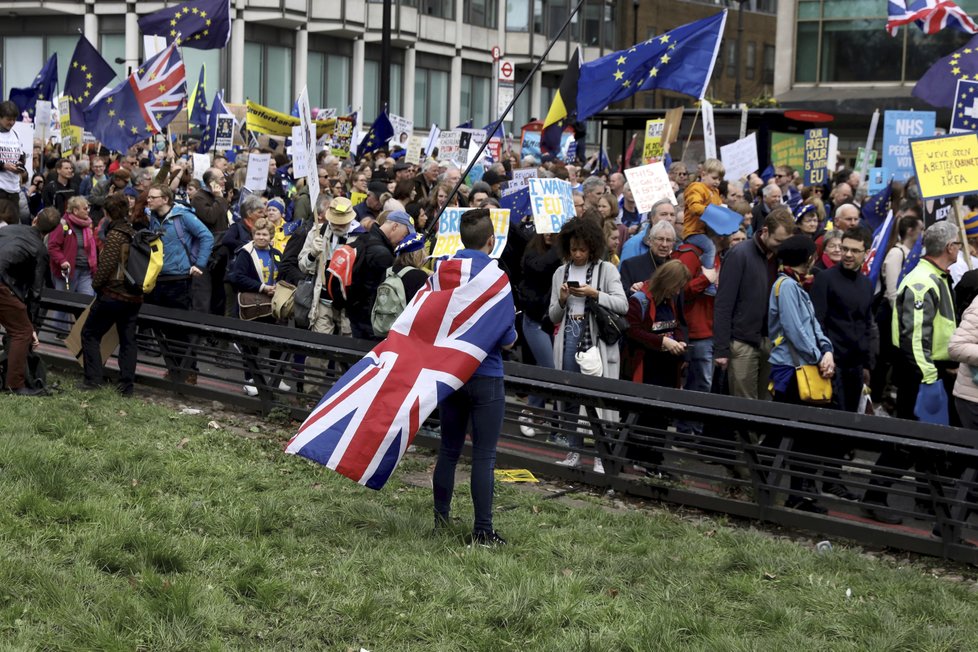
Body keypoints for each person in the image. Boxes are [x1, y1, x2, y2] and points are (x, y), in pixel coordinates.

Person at [863, 221, 961, 524]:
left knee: (931, 441)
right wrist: (930, 378)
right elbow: (914, 338)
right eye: (958, 242)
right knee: (907, 440)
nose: (960, 247)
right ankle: (874, 496)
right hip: (921, 375)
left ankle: (932, 502)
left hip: (932, 371)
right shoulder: (922, 282)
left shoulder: (937, 277)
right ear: (949, 248)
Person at [432, 208, 517, 547]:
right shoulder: (496, 278)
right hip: (486, 373)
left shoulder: (443, 272)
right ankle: (482, 530)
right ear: (491, 240)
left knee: (448, 450)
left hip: (451, 373)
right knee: (484, 455)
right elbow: (508, 338)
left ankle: (441, 519)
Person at [549, 217, 628, 472]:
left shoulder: (607, 270)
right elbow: (552, 316)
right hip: (570, 334)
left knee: (597, 398)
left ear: (593, 247)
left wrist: (595, 294)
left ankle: (599, 455)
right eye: (573, 249)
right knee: (571, 396)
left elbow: (622, 304)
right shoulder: (561, 272)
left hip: (596, 340)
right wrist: (562, 300)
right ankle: (573, 451)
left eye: (583, 249)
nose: (578, 254)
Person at [767, 235, 835, 514]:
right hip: (792, 370)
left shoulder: (796, 286)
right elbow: (795, 331)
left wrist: (827, 349)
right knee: (796, 436)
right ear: (808, 258)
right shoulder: (786, 287)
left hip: (806, 365)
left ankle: (801, 491)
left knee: (804, 436)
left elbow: (813, 326)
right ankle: (795, 493)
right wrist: (819, 357)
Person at [713, 207, 795, 400]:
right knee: (744, 404)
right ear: (765, 231)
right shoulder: (740, 254)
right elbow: (724, 304)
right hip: (743, 341)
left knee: (766, 401)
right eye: (778, 241)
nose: (781, 247)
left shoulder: (781, 257)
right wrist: (721, 349)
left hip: (772, 341)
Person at [145, 183, 214, 384]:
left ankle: (189, 371)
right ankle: (173, 368)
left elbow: (206, 237)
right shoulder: (153, 218)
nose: (148, 200)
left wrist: (199, 264)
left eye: (152, 197)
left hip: (179, 280)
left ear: (165, 199)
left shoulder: (183, 216)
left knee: (180, 329)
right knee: (162, 328)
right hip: (158, 278)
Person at [79, 194, 143, 395]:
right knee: (128, 340)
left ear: (107, 214)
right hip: (134, 296)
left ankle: (93, 380)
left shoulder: (116, 235)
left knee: (89, 334)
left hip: (113, 294)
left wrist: (97, 287)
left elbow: (105, 267)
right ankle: (126, 387)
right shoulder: (134, 232)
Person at [811, 227, 875, 413]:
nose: (847, 254)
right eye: (844, 248)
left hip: (856, 366)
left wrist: (866, 364)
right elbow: (817, 321)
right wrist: (825, 354)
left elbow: (866, 325)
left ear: (866, 253)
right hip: (832, 364)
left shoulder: (866, 284)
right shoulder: (825, 279)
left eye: (854, 251)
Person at [0, 207, 60, 395]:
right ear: (52, 231)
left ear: (34, 220)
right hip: (1, 283)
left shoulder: (8, 229)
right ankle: (15, 384)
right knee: (22, 331)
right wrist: (32, 325)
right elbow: (35, 291)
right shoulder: (40, 250)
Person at [227, 217, 288, 396]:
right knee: (250, 344)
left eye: (265, 234)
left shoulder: (276, 253)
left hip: (272, 305)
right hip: (252, 305)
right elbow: (237, 277)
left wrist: (279, 285)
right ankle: (250, 379)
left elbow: (282, 273)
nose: (261, 237)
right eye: (258, 234)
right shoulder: (245, 253)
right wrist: (261, 287)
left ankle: (275, 378)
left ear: (271, 236)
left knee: (276, 342)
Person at [299, 195, 365, 337]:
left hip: (347, 304)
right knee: (319, 350)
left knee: (347, 349)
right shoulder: (317, 231)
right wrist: (312, 254)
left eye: (342, 223)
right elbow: (302, 266)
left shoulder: (361, 237)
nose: (338, 226)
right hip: (322, 301)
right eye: (335, 223)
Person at [517, 232, 562, 437]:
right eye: (546, 227)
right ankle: (529, 412)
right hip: (535, 320)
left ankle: (552, 422)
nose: (549, 233)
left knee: (556, 370)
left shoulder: (568, 254)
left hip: (557, 320)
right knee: (550, 369)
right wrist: (559, 247)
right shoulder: (532, 251)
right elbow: (539, 267)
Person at [347, 210, 414, 339]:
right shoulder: (382, 254)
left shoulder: (365, 237)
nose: (404, 240)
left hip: (355, 313)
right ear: (395, 227)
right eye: (405, 234)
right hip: (369, 321)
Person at [682, 158, 724, 294]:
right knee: (710, 248)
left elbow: (718, 210)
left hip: (708, 231)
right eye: (714, 178)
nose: (717, 182)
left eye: (720, 179)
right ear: (703, 174)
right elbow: (695, 206)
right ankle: (707, 278)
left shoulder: (716, 192)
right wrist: (712, 212)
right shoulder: (696, 187)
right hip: (693, 231)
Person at [620, 221, 677, 292]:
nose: (664, 244)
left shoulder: (676, 268)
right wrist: (632, 291)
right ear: (650, 241)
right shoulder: (630, 265)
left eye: (668, 240)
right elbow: (623, 296)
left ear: (673, 244)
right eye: (660, 239)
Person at [0, 101, 25, 217]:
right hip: (1, 188)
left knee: (12, 226)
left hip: (14, 189)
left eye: (14, 119)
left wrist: (20, 166)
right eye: (8, 119)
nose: (12, 122)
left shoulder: (16, 134)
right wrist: (3, 166)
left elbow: (21, 156)